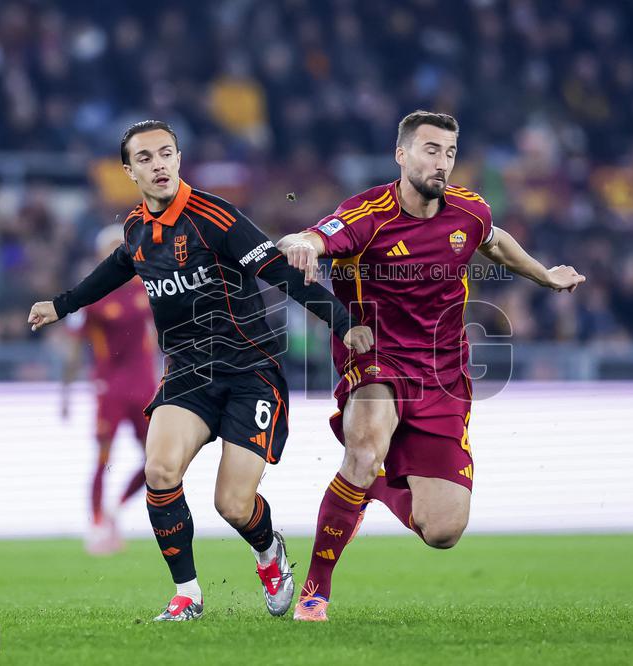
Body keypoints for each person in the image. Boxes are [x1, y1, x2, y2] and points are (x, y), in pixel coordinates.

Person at [28, 120, 374, 622]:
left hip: (249, 372)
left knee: (232, 504)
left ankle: (269, 553)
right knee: (160, 471)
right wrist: (61, 306)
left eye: (165, 153)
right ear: (129, 171)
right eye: (145, 158)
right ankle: (187, 593)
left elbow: (280, 272)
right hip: (187, 374)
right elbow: (119, 266)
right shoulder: (136, 228)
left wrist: (342, 322)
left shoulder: (216, 217)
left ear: (178, 158)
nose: (158, 164)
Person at [277, 110, 585, 621]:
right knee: (365, 448)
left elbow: (495, 240)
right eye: (430, 150)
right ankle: (315, 590)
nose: (442, 162)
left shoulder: (469, 211)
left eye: (450, 153)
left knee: (442, 531)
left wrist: (543, 275)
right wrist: (300, 247)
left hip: (444, 375)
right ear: (401, 155)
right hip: (376, 358)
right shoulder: (367, 214)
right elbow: (310, 238)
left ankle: (371, 487)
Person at [61, 224, 158, 555]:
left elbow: (160, 332)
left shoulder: (146, 285)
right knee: (103, 457)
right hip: (110, 389)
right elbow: (74, 348)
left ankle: (116, 508)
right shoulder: (91, 294)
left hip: (144, 387)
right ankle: (97, 523)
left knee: (156, 459)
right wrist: (66, 393)